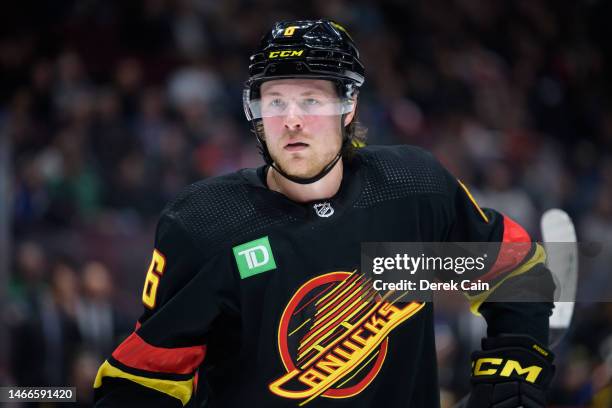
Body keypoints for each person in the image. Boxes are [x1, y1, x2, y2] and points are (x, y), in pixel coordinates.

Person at [93, 19, 555, 407]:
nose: (291, 119)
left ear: (349, 106)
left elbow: (518, 268)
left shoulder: (415, 190)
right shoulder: (204, 225)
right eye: (275, 102)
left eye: (311, 100)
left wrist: (514, 361)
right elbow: (141, 380)